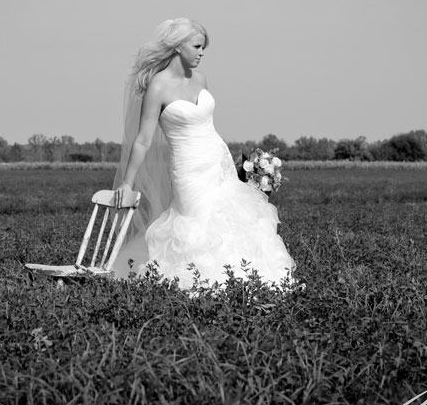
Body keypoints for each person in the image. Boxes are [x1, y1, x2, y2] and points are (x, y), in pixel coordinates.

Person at [112, 18, 295, 288]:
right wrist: (127, 183)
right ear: (177, 47)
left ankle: (241, 280)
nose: (202, 53)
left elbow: (205, 125)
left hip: (217, 160)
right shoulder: (158, 87)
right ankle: (205, 282)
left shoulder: (200, 79)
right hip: (188, 168)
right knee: (197, 221)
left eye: (203, 47)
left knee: (231, 217)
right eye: (197, 46)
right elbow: (142, 140)